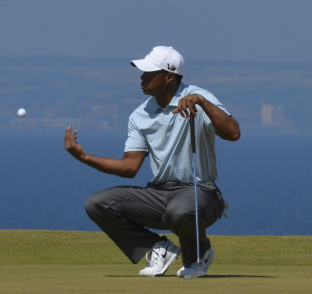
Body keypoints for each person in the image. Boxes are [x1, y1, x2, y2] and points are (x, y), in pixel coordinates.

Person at [64, 46, 240, 279]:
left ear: (169, 76)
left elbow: (233, 133)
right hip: (159, 195)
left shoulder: (199, 96)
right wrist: (84, 158)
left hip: (201, 192)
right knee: (97, 203)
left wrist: (202, 103)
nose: (142, 77)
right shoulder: (140, 115)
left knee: (181, 210)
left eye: (149, 72)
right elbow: (129, 167)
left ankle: (199, 254)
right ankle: (157, 248)